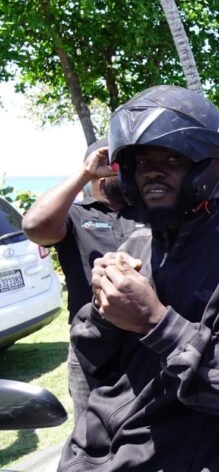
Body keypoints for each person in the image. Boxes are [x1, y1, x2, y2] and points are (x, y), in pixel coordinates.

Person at [58, 85, 219, 471]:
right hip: (94, 446)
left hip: (174, 451)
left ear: (208, 165)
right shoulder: (136, 243)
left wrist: (155, 321)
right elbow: (97, 363)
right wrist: (102, 310)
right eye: (141, 161)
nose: (152, 170)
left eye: (171, 157)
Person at [22, 137, 142, 421]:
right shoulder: (76, 215)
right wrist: (85, 174)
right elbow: (35, 227)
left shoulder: (148, 211)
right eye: (110, 162)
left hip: (144, 340)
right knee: (93, 432)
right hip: (92, 346)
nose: (119, 168)